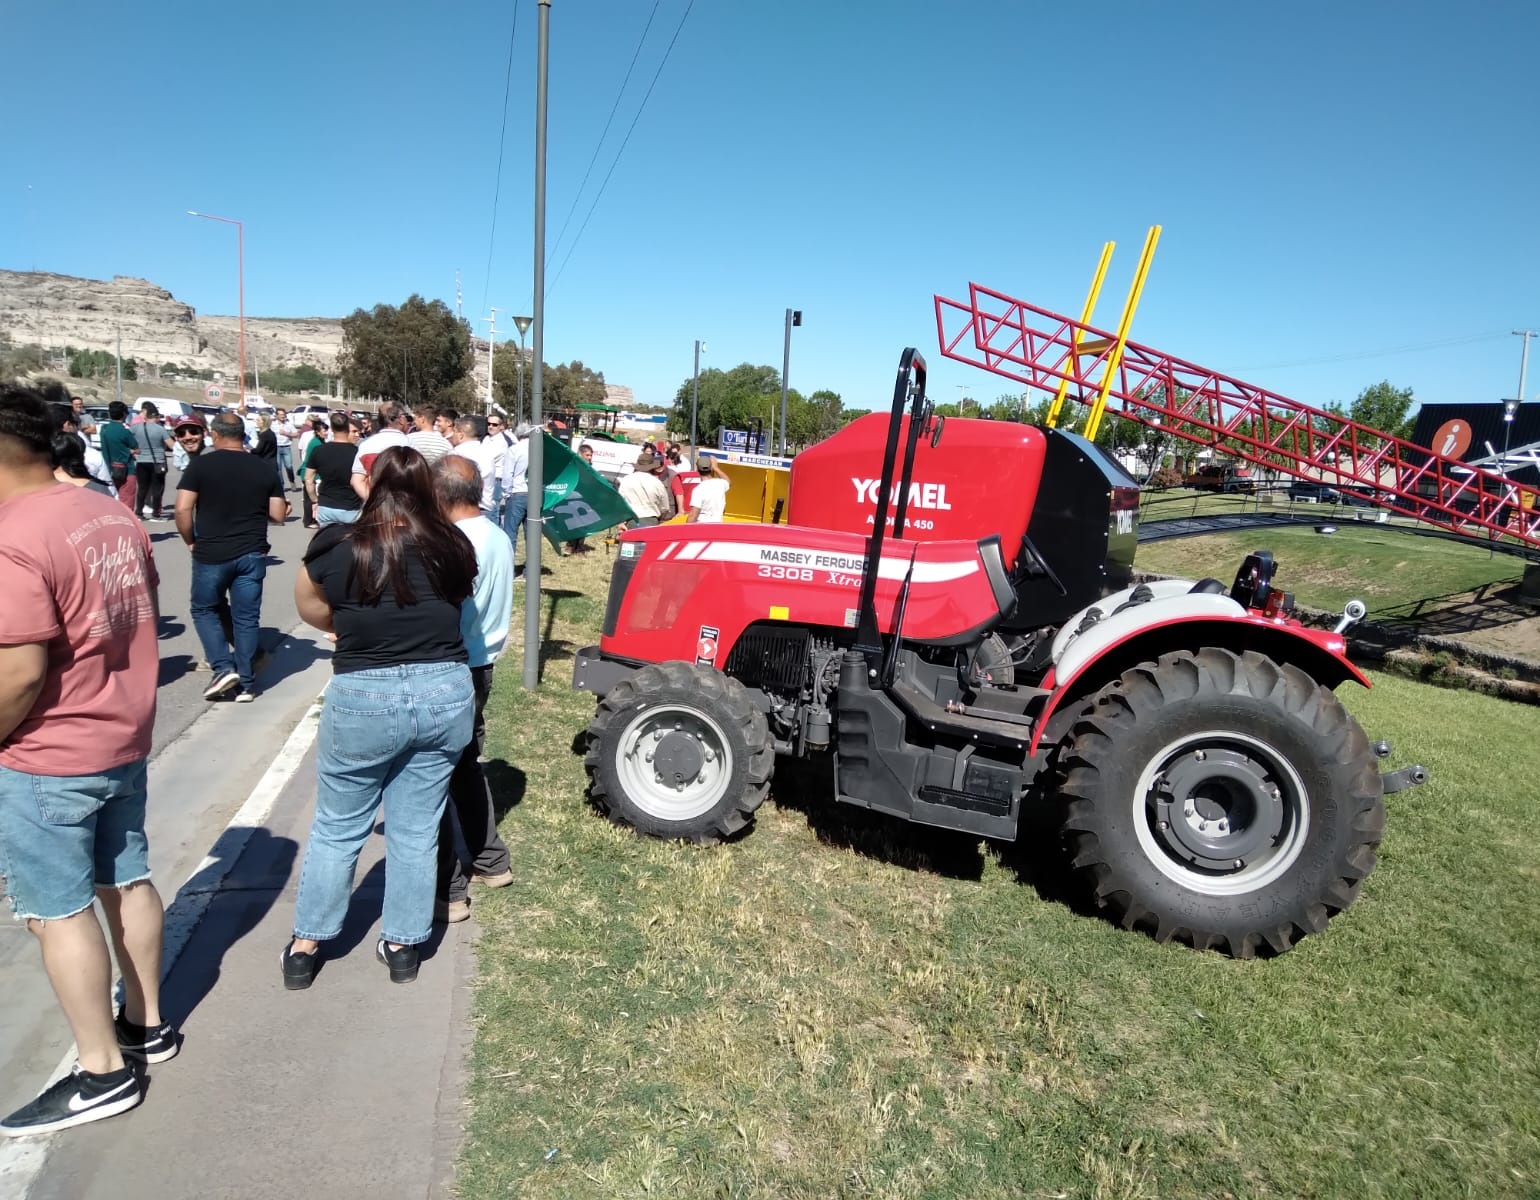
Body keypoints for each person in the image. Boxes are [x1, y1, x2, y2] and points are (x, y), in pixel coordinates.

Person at [0, 386, 176, 1137]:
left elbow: (18, 671)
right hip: (122, 735)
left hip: (48, 750)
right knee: (125, 878)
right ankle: (148, 1023)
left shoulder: (12, 535)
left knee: (55, 909)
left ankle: (102, 1070)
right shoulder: (112, 512)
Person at [284, 446, 477, 988]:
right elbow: (456, 602)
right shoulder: (452, 545)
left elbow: (312, 608)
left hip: (364, 692)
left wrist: (352, 621)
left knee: (339, 826)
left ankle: (307, 944)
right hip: (443, 687)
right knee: (417, 828)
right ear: (427, 490)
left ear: (368, 484)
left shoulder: (334, 543)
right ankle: (404, 944)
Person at [430, 456, 515, 922]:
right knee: (463, 765)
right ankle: (489, 859)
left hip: (454, 663)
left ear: (440, 496)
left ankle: (450, 890)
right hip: (481, 662)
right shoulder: (497, 534)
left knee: (434, 775)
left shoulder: (455, 543)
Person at [174, 412, 289, 703]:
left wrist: (190, 540)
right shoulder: (263, 468)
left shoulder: (201, 465)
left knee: (204, 609)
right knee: (246, 618)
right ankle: (248, 685)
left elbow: (182, 509)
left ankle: (223, 668)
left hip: (211, 551)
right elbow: (277, 514)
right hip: (252, 552)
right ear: (243, 434)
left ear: (215, 434)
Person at [309, 412, 364, 527]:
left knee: (327, 541)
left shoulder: (318, 450)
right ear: (347, 428)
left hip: (326, 507)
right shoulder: (358, 453)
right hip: (351, 508)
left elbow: (308, 480)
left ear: (331, 428)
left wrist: (315, 500)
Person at [350, 401, 411, 502]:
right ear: (401, 419)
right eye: (405, 416)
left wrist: (374, 501)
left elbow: (356, 481)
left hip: (374, 510)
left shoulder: (366, 445)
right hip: (404, 508)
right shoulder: (411, 444)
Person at [448, 415, 503, 517]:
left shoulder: (456, 454)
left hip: (464, 511)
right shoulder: (487, 452)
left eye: (454, 432)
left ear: (460, 435)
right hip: (485, 510)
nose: (452, 436)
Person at [132, 402, 173, 520]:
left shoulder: (135, 428)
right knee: (157, 488)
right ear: (155, 417)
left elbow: (128, 440)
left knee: (142, 488)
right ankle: (156, 514)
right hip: (158, 461)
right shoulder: (160, 430)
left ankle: (139, 512)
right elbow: (171, 444)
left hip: (141, 461)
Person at [499, 421, 532, 562]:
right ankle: (530, 569)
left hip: (517, 492)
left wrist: (506, 493)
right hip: (534, 494)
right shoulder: (539, 450)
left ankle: (509, 567)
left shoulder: (514, 449)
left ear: (518, 435)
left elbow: (507, 475)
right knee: (531, 535)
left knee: (510, 533)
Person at [618, 450, 676, 527]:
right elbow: (664, 507)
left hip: (631, 519)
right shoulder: (656, 482)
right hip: (651, 519)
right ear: (652, 467)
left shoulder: (625, 480)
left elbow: (621, 502)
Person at [99, 399, 139, 511]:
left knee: (110, 500)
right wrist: (130, 451)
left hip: (108, 468)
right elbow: (136, 448)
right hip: (127, 469)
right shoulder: (124, 431)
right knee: (127, 500)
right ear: (124, 414)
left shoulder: (104, 429)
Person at [295, 418, 329, 528]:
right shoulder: (316, 443)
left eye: (326, 430)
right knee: (310, 498)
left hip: (311, 472)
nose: (326, 433)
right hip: (310, 473)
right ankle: (309, 521)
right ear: (318, 432)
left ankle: (311, 519)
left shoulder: (319, 441)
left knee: (309, 497)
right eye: (324, 431)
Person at [686, 454, 730, 523]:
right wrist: (716, 468)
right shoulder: (720, 484)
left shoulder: (698, 490)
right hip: (718, 527)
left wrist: (685, 530)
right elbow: (728, 481)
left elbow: (693, 515)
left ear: (697, 469)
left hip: (703, 528)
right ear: (711, 468)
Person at [273, 408, 298, 490]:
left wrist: (286, 433)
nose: (282, 416)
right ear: (276, 415)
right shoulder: (272, 424)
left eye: (283, 415)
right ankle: (281, 485)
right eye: (280, 415)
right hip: (276, 447)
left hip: (286, 447)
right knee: (278, 468)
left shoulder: (289, 424)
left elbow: (296, 434)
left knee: (289, 466)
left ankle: (292, 481)